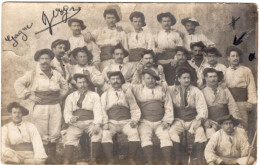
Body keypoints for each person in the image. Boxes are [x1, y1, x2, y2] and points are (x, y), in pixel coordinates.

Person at [14, 49, 69, 163]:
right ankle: (44, 157)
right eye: (42, 59)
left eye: (47, 59)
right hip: (41, 106)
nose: (44, 61)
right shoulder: (33, 73)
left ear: (50, 60)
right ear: (38, 60)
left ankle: (53, 157)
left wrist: (60, 97)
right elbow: (18, 83)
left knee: (55, 130)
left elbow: (64, 86)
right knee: (41, 131)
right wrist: (30, 96)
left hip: (55, 106)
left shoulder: (56, 73)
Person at [130, 69, 174, 165]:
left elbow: (168, 106)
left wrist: (166, 120)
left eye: (153, 78)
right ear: (143, 79)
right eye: (148, 78)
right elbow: (128, 87)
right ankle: (149, 161)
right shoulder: (139, 89)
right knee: (145, 137)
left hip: (160, 121)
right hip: (145, 121)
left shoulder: (162, 89)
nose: (151, 81)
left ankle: (168, 161)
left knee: (166, 137)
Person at [168, 67, 208, 164]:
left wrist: (200, 120)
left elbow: (202, 107)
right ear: (179, 79)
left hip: (193, 119)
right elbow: (165, 102)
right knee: (172, 131)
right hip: (178, 120)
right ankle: (178, 158)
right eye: (184, 78)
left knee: (200, 132)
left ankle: (198, 158)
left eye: (188, 78)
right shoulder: (172, 90)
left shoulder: (196, 91)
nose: (186, 80)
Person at [101, 71, 141, 164]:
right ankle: (110, 160)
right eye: (113, 79)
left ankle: (131, 158)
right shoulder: (105, 94)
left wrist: (134, 120)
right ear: (109, 82)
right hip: (111, 122)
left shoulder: (127, 93)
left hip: (126, 121)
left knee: (134, 133)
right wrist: (105, 123)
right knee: (105, 134)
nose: (115, 81)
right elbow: (102, 110)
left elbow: (134, 108)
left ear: (121, 80)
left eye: (118, 79)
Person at [63, 73, 103, 164]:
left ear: (88, 83)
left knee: (97, 134)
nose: (82, 85)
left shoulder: (94, 95)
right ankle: (67, 161)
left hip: (90, 122)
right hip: (76, 124)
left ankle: (93, 160)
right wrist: (70, 119)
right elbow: (67, 112)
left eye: (84, 82)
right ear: (76, 84)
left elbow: (98, 111)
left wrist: (97, 124)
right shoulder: (71, 97)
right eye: (80, 83)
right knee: (69, 137)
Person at [201, 68, 241, 139]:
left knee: (236, 133)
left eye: (215, 76)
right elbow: (201, 109)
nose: (213, 79)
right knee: (211, 133)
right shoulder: (202, 92)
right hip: (211, 121)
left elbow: (232, 105)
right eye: (210, 77)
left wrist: (235, 120)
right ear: (206, 78)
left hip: (225, 120)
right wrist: (205, 121)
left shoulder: (224, 89)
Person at [225, 46, 257, 131]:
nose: (235, 58)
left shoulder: (246, 70)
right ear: (228, 58)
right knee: (230, 124)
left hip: (242, 102)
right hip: (230, 102)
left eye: (237, 56)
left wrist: (250, 102)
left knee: (243, 124)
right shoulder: (225, 71)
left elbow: (251, 86)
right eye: (233, 56)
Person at [90, 6, 128, 71]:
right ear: (105, 18)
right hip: (103, 61)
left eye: (113, 18)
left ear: (116, 19)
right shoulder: (100, 31)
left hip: (116, 62)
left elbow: (125, 48)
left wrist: (124, 64)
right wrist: (88, 33)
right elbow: (89, 36)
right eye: (108, 18)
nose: (111, 20)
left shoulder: (121, 32)